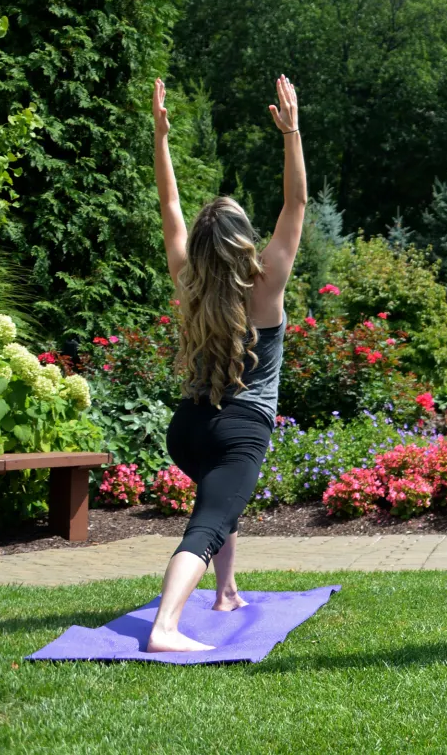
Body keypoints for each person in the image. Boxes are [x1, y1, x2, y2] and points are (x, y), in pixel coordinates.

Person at [145, 76, 304, 653]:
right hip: (239, 430)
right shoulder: (266, 290)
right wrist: (291, 133)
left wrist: (160, 136)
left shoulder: (189, 280)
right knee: (209, 523)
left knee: (218, 499)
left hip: (187, 429)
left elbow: (169, 205)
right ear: (243, 244)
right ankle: (165, 628)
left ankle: (227, 590)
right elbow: (296, 202)